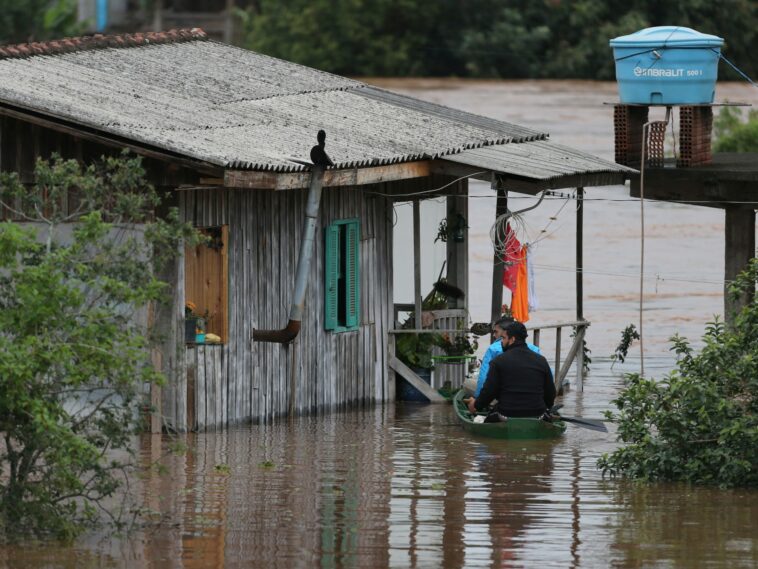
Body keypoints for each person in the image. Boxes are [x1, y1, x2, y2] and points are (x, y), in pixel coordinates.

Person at [467, 321, 555, 418]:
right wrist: (546, 408)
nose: (501, 342)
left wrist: (475, 405)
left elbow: (489, 392)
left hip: (506, 414)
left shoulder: (498, 361)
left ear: (512, 339)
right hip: (537, 414)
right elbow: (550, 394)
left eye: (504, 338)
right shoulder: (541, 360)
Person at [474, 316, 542, 397]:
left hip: (504, 400)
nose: (494, 335)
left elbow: (483, 377)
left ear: (506, 332)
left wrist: (477, 399)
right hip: (534, 399)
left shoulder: (493, 350)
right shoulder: (535, 350)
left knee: (468, 384)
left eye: (496, 332)